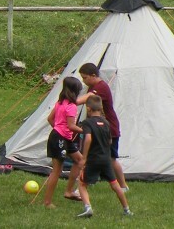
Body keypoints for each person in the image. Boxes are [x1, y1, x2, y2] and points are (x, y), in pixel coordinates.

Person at [70, 63, 127, 197]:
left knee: (109, 158)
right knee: (104, 158)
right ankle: (121, 185)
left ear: (93, 76)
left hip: (108, 128)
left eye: (85, 78)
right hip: (101, 127)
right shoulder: (93, 86)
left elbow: (84, 99)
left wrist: (68, 103)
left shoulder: (101, 87)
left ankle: (122, 186)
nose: (83, 81)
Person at [75, 94, 132, 219]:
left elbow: (88, 138)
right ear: (101, 109)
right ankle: (127, 209)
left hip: (93, 160)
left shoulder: (87, 123)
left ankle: (88, 208)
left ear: (88, 109)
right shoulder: (106, 123)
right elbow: (110, 141)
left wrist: (84, 157)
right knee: (115, 184)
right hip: (106, 159)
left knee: (82, 184)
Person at [43, 76, 85, 208]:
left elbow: (50, 119)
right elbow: (72, 126)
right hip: (60, 139)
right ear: (75, 91)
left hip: (62, 137)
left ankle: (68, 191)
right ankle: (47, 202)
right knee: (57, 171)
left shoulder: (60, 103)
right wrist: (86, 131)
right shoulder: (71, 106)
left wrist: (58, 130)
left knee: (79, 160)